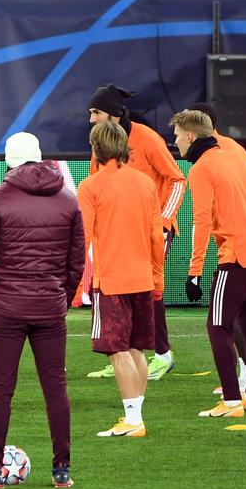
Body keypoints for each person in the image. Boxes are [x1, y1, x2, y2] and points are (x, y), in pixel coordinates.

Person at [0, 132, 82, 489]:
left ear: (9, 160)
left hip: (7, 308)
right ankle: (62, 472)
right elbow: (76, 261)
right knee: (56, 388)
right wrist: (61, 296)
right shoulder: (67, 200)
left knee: (0, 390)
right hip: (50, 308)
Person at [170, 110, 246, 418]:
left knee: (218, 325)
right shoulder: (236, 154)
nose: (174, 140)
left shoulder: (201, 169)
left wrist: (194, 271)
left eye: (177, 135)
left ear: (191, 136)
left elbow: (201, 222)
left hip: (238, 255)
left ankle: (232, 402)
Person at [83, 84, 185, 381]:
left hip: (151, 228)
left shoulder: (147, 138)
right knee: (111, 291)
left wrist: (164, 220)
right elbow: (96, 183)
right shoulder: (100, 144)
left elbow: (177, 180)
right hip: (118, 230)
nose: (91, 119)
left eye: (96, 112)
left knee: (148, 288)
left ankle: (162, 356)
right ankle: (121, 353)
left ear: (114, 115)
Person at [77, 121, 164, 438]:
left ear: (96, 149)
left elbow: (81, 239)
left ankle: (132, 420)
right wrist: (158, 278)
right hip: (142, 278)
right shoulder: (145, 183)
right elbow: (157, 236)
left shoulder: (91, 187)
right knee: (137, 349)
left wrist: (75, 285)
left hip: (111, 281)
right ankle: (135, 416)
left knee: (118, 352)